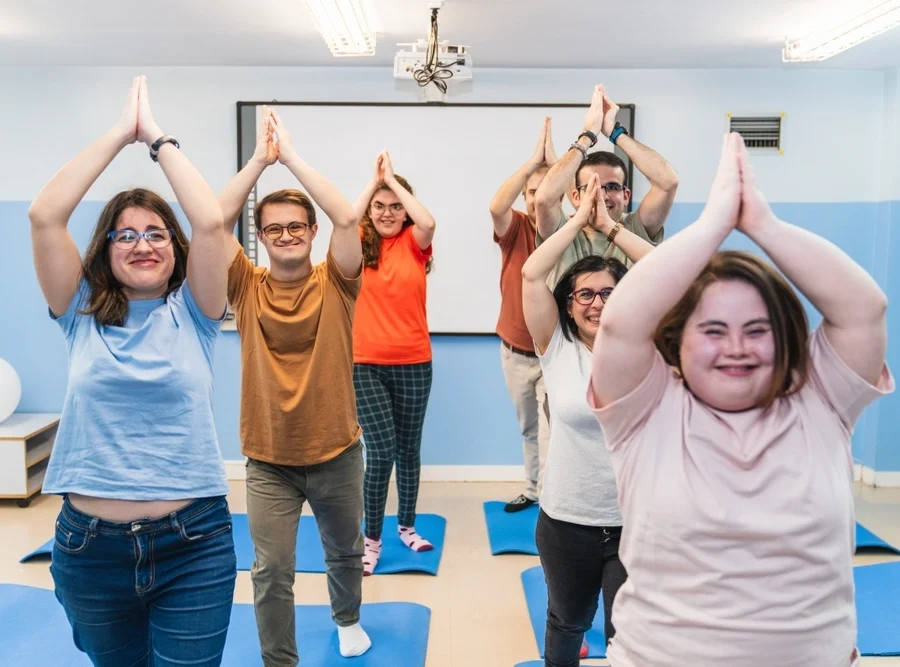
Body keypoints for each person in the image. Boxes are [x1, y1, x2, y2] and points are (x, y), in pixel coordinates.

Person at [588, 133, 894, 667]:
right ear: (678, 340)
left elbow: (864, 311)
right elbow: (620, 324)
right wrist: (711, 226)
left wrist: (762, 225)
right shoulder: (647, 409)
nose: (736, 347)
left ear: (784, 337)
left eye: (757, 329)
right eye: (713, 330)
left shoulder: (822, 399)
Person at [30, 76, 234, 667]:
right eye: (126, 235)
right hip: (89, 549)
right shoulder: (80, 311)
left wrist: (158, 140)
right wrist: (120, 134)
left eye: (156, 233)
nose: (142, 244)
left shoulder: (196, 312)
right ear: (106, 248)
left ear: (175, 247)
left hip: (193, 543)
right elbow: (45, 215)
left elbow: (213, 223)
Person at [219, 107, 371, 663]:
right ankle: (279, 660)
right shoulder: (244, 284)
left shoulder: (337, 281)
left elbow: (349, 220)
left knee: (344, 551)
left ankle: (347, 618)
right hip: (268, 460)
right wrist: (260, 160)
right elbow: (213, 223)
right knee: (271, 570)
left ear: (311, 233)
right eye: (273, 228)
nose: (286, 235)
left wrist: (292, 156)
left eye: (296, 226)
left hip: (336, 450)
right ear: (259, 239)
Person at [522, 173, 655, 667]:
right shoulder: (555, 348)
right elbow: (532, 275)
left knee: (630, 630)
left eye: (609, 293)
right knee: (567, 621)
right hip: (566, 521)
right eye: (585, 294)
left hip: (634, 520)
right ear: (569, 305)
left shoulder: (646, 348)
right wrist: (577, 220)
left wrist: (612, 229)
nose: (598, 302)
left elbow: (671, 273)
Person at [352, 150, 437, 575]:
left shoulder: (414, 243)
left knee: (408, 451)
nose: (388, 213)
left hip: (415, 361)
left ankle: (406, 526)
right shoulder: (356, 244)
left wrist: (395, 184)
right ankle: (370, 539)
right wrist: (374, 183)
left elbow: (429, 222)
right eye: (380, 206)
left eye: (395, 206)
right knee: (380, 451)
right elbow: (346, 219)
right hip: (364, 363)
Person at [535, 84, 679, 288]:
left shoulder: (636, 228)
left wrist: (615, 132)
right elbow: (543, 199)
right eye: (592, 187)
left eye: (611, 187)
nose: (602, 196)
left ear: (626, 195)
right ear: (575, 196)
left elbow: (668, 182)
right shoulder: (561, 230)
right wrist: (588, 136)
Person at [488, 117, 558, 512]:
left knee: (553, 430)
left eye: (546, 193)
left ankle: (552, 501)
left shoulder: (569, 229)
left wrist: (559, 168)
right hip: (515, 350)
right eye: (532, 193)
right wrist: (533, 164)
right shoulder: (515, 227)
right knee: (530, 429)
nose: (536, 200)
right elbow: (497, 205)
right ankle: (533, 490)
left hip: (554, 351)